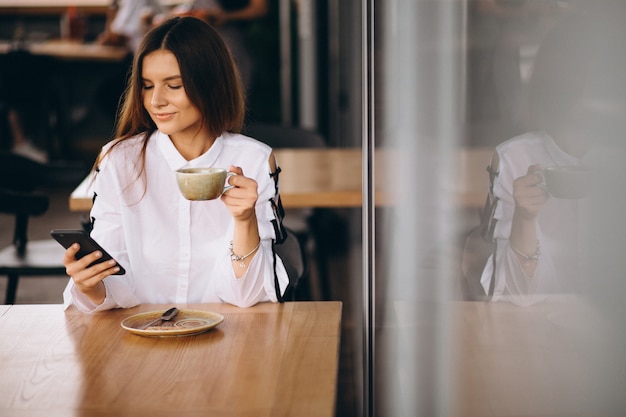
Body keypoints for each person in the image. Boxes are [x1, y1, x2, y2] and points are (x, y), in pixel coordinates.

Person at [62, 16, 289, 312]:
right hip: (138, 337)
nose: (156, 100)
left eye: (174, 85)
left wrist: (245, 220)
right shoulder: (119, 160)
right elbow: (114, 282)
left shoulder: (253, 160)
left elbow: (246, 296)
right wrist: (90, 284)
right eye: (146, 86)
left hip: (228, 339)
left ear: (210, 84)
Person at [478, 6, 626, 306]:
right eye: (580, 79)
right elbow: (515, 299)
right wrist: (524, 218)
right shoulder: (515, 159)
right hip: (539, 338)